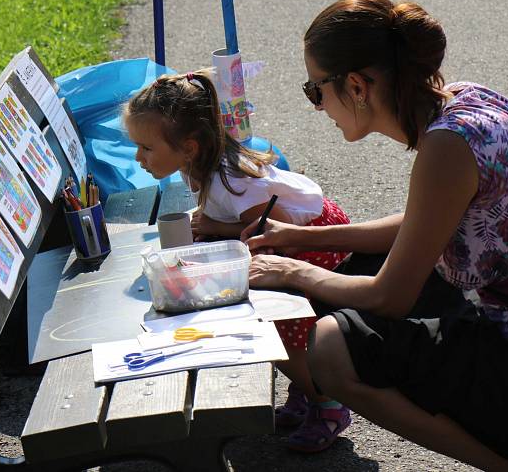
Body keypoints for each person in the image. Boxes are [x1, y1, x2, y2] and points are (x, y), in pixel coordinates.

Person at [241, 0, 508, 471]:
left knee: (331, 348)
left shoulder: (446, 146)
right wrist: (297, 237)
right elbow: (429, 221)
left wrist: (292, 271)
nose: (317, 106)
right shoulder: (467, 100)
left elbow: (390, 296)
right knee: (348, 277)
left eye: (315, 90)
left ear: (356, 86)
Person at [123, 70, 354, 452]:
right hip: (279, 236)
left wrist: (213, 226)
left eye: (146, 148)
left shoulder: (231, 177)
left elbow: (267, 233)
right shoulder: (198, 165)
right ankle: (306, 388)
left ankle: (328, 403)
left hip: (311, 239)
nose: (138, 157)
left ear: (189, 147)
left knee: (276, 325)